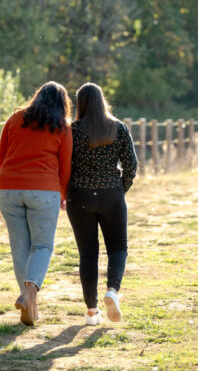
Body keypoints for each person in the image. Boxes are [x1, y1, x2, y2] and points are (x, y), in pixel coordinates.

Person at [0, 81, 72, 326]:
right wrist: (63, 194)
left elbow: (0, 154)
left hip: (8, 189)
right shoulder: (62, 127)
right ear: (62, 104)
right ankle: (29, 296)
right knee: (43, 246)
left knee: (19, 247)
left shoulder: (15, 119)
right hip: (43, 191)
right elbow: (65, 166)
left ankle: (29, 303)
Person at [66, 82, 137, 326]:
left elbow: (63, 165)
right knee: (118, 248)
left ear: (81, 103)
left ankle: (91, 312)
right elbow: (131, 166)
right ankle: (112, 291)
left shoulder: (71, 131)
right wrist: (119, 190)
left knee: (88, 253)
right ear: (102, 101)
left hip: (80, 196)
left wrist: (67, 191)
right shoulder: (118, 128)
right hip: (111, 196)